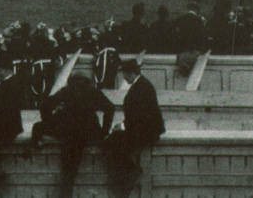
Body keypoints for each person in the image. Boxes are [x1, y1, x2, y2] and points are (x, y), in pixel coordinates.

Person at [31, 74, 116, 198]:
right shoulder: (92, 92)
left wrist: (49, 121)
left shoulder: (67, 91)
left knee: (68, 169)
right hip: (87, 132)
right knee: (71, 167)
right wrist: (104, 131)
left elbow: (45, 105)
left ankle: (65, 193)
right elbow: (110, 108)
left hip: (67, 131)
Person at [107, 57, 165, 190]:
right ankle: (128, 173)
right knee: (115, 140)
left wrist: (123, 126)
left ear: (130, 73)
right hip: (144, 128)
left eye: (124, 75)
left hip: (145, 130)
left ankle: (130, 172)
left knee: (113, 141)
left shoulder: (141, 87)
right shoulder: (141, 84)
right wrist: (124, 125)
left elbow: (139, 115)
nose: (124, 78)